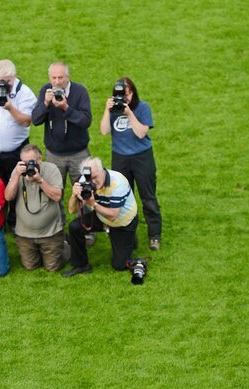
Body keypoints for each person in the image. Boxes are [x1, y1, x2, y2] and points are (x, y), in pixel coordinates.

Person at [100, 77, 162, 251]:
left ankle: (154, 235)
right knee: (123, 197)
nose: (122, 98)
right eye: (118, 95)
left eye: (125, 95)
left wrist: (128, 113)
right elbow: (104, 131)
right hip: (120, 158)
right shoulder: (113, 110)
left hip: (142, 157)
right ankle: (129, 236)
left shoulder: (142, 108)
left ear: (132, 93)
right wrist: (107, 110)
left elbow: (141, 133)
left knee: (148, 197)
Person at [62, 156, 138, 277]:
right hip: (102, 215)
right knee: (74, 227)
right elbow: (72, 210)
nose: (92, 182)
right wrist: (73, 195)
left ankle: (130, 239)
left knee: (120, 265)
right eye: (89, 178)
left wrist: (92, 204)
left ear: (103, 170)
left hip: (122, 221)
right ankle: (81, 265)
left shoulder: (118, 182)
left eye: (95, 177)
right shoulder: (84, 180)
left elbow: (113, 216)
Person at [5, 145, 65, 272]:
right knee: (30, 267)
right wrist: (16, 175)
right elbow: (8, 197)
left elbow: (57, 196)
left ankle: (64, 244)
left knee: (53, 268)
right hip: (24, 234)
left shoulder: (51, 169)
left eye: (31, 161)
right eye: (24, 162)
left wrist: (40, 180)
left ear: (39, 159)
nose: (28, 166)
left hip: (50, 232)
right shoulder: (18, 172)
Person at [31, 63, 92, 183]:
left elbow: (86, 121)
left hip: (78, 153)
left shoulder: (80, 91)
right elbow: (36, 120)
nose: (57, 82)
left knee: (84, 190)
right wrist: (45, 104)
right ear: (49, 77)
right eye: (53, 78)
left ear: (68, 77)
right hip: (54, 154)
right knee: (54, 194)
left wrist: (66, 108)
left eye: (60, 77)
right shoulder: (45, 91)